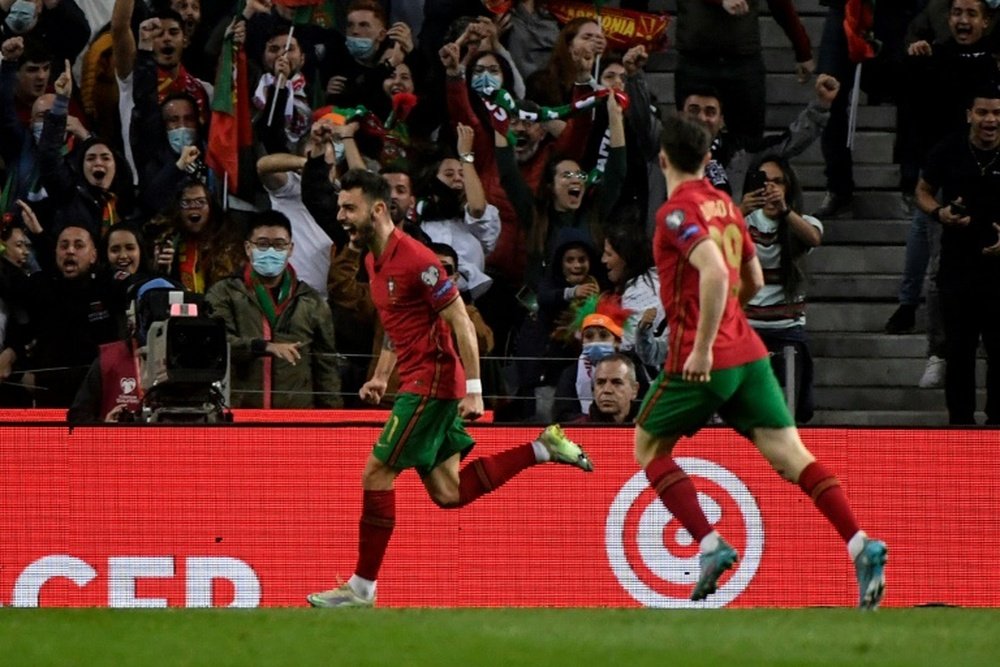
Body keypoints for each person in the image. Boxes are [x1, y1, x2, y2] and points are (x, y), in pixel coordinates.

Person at [306, 169, 593, 608]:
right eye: (341, 206)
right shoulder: (371, 260)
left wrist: (474, 389)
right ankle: (542, 448)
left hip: (434, 382)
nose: (341, 216)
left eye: (350, 208)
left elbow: (459, 318)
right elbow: (395, 324)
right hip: (415, 379)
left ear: (378, 209)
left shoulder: (419, 261)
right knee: (448, 492)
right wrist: (382, 373)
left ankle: (362, 587)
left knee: (377, 473)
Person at [634, 114, 887, 608]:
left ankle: (709, 543)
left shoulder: (676, 212)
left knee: (648, 447)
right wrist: (731, 318)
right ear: (709, 160)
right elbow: (750, 276)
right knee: (793, 458)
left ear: (663, 160)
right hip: (749, 350)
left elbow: (712, 270)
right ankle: (860, 544)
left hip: (703, 357)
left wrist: (705, 345)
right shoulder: (727, 208)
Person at [915, 87, 1000, 424]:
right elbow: (922, 191)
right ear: (969, 115)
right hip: (957, 268)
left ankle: (997, 425)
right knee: (959, 352)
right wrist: (939, 213)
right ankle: (961, 425)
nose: (990, 120)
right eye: (982, 112)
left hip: (998, 273)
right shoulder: (949, 149)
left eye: (996, 113)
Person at [205, 210, 342, 410]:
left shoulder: (310, 301)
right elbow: (217, 345)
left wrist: (334, 419)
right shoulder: (224, 294)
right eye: (262, 244)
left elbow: (326, 368)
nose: (271, 251)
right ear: (247, 248)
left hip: (295, 419)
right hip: (240, 416)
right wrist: (264, 347)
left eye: (279, 244)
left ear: (291, 249)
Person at [741, 156, 823, 424]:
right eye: (764, 182)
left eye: (778, 182)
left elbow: (813, 238)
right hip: (746, 329)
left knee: (793, 410)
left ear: (789, 187)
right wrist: (739, 209)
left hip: (788, 330)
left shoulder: (802, 221)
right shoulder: (739, 221)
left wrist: (786, 211)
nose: (771, 188)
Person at [575, 353, 640, 424]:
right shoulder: (573, 432)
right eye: (600, 382)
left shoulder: (650, 432)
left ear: (634, 390)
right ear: (593, 390)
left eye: (617, 383)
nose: (607, 390)